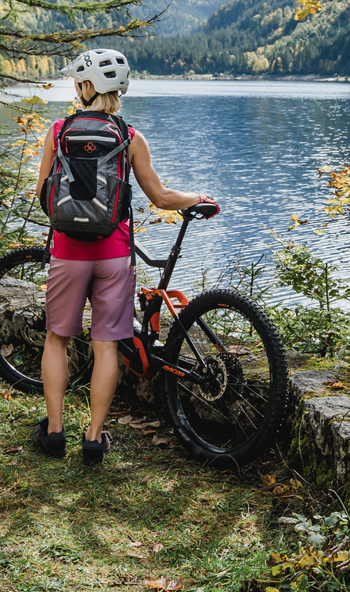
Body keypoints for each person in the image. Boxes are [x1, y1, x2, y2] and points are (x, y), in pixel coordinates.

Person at [30, 49, 217, 465]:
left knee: (57, 338)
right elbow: (161, 197)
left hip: (67, 253)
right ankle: (94, 440)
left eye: (78, 82)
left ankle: (55, 433)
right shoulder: (131, 137)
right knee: (106, 345)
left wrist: (70, 220)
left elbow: (43, 193)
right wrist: (199, 198)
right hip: (114, 256)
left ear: (87, 87)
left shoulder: (58, 130)